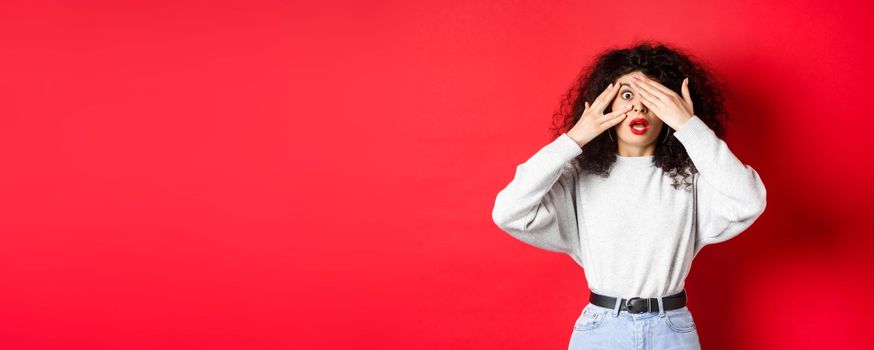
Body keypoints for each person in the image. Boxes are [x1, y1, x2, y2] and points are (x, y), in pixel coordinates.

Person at [490, 42, 767, 349]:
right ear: (603, 104)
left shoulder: (693, 180)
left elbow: (749, 199)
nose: (639, 107)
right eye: (627, 95)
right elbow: (508, 212)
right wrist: (575, 138)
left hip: (671, 329)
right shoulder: (578, 178)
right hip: (601, 329)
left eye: (653, 96)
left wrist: (690, 127)